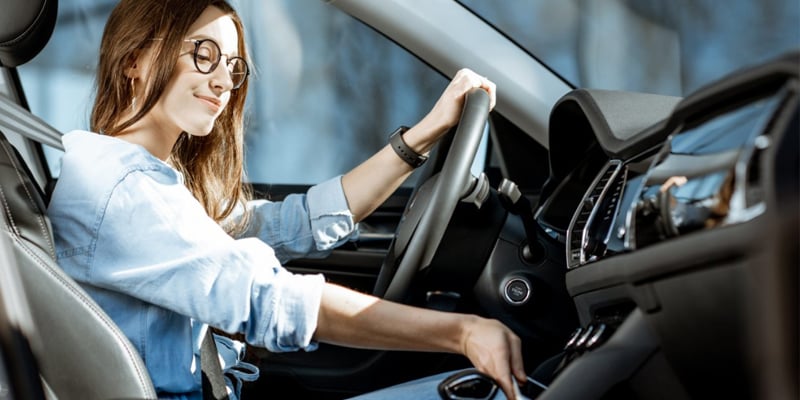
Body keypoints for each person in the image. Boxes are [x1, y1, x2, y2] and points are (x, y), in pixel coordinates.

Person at [46, 0, 526, 399]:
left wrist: (420, 137)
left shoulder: (150, 178)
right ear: (135, 58)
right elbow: (270, 299)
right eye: (203, 54)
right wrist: (462, 332)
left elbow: (289, 224)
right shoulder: (123, 188)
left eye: (233, 67)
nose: (223, 82)